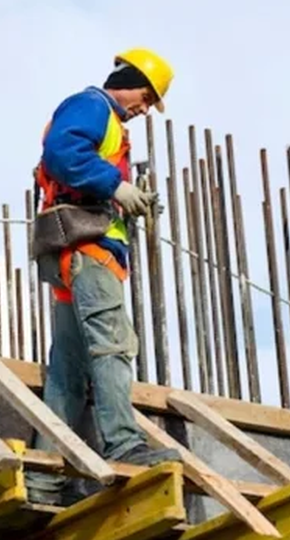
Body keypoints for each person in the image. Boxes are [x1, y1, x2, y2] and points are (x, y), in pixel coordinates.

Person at [26, 47, 182, 506]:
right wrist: (116, 187)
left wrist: (126, 198)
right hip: (88, 251)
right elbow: (62, 152)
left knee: (68, 373)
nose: (145, 108)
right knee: (113, 345)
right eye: (147, 97)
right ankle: (124, 443)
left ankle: (45, 478)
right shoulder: (93, 106)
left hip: (75, 252)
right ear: (130, 80)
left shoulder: (107, 122)